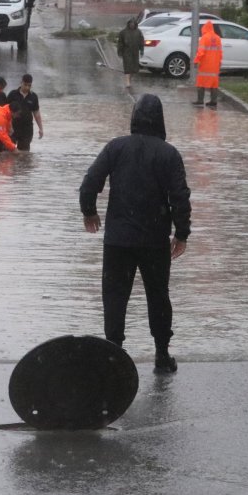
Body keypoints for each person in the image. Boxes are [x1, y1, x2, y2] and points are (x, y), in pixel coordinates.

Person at [78, 94, 191, 374]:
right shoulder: (169, 154)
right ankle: (162, 355)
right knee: (158, 295)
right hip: (154, 240)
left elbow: (90, 182)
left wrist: (89, 210)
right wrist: (182, 233)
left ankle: (114, 354)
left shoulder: (115, 148)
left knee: (115, 296)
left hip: (118, 240)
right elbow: (180, 197)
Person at [6, 74, 43, 150]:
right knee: (9, 151)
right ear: (21, 82)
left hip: (27, 129)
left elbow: (36, 113)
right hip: (13, 127)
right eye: (25, 85)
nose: (27, 87)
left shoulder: (33, 96)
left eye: (29, 85)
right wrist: (8, 126)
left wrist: (41, 128)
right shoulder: (12, 94)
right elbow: (5, 111)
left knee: (24, 154)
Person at [192, 20, 222, 108]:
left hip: (205, 65)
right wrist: (219, 63)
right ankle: (213, 101)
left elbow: (201, 52)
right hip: (215, 65)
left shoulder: (204, 38)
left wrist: (196, 61)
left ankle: (200, 100)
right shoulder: (218, 38)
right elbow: (220, 53)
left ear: (204, 28)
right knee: (214, 83)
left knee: (201, 82)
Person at [116, 18, 145, 88]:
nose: (132, 25)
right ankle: (127, 82)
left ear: (135, 24)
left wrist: (142, 50)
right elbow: (120, 43)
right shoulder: (123, 32)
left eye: (133, 23)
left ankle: (129, 79)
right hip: (126, 51)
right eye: (130, 23)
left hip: (135, 52)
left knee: (134, 69)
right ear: (128, 24)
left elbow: (141, 41)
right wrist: (119, 51)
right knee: (127, 67)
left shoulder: (138, 32)